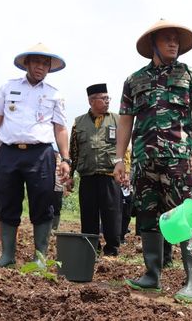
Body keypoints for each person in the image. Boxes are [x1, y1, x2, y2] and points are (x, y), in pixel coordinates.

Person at [114, 19, 192, 303]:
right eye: (167, 39)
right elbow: (125, 122)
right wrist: (120, 159)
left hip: (180, 158)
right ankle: (151, 275)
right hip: (145, 159)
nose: (173, 43)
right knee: (146, 216)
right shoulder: (134, 80)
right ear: (153, 44)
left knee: (186, 217)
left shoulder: (191, 75)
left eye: (176, 40)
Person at [0, 43, 70, 267]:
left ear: (49, 68)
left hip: (41, 154)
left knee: (43, 202)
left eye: (45, 63)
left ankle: (40, 259)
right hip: (8, 152)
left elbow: (61, 128)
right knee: (6, 200)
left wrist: (65, 159)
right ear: (26, 63)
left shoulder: (54, 94)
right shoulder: (8, 87)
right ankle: (7, 256)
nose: (40, 67)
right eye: (36, 61)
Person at [67, 83, 122, 256]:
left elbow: (125, 147)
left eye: (108, 98)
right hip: (88, 175)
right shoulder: (78, 122)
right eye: (103, 98)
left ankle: (112, 248)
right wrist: (70, 175)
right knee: (88, 212)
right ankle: (91, 247)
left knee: (112, 212)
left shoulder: (117, 119)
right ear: (92, 101)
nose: (107, 101)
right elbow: (73, 150)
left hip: (110, 174)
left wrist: (125, 170)